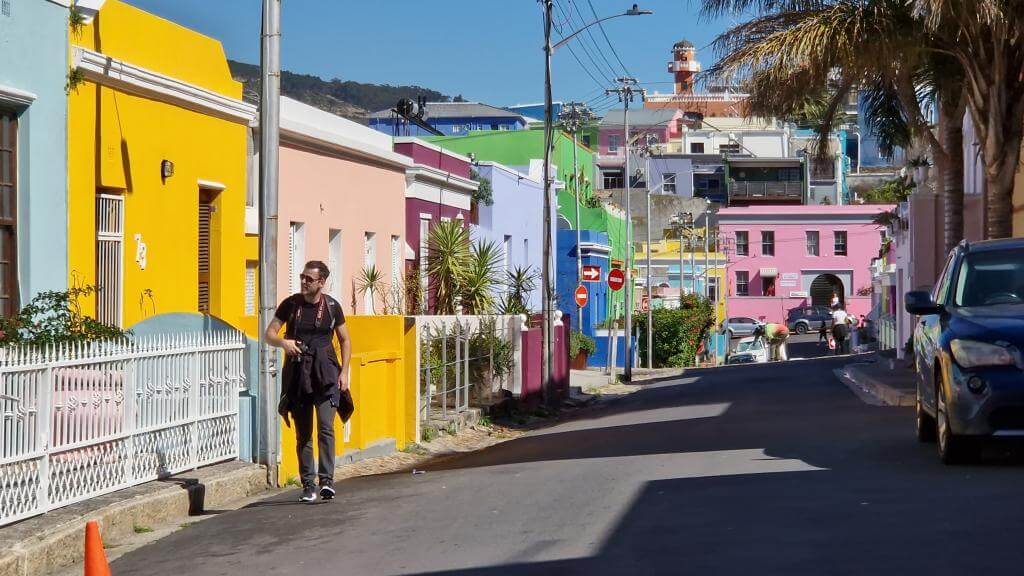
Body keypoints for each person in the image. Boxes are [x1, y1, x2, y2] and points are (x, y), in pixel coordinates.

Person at [265, 260, 352, 503]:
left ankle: (327, 482)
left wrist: (344, 372)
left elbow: (345, 340)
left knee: (326, 427)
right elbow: (269, 334)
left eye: (309, 279)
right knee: (303, 433)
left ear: (321, 282)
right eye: (302, 277)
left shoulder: (333, 307)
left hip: (325, 374)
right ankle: (307, 484)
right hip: (298, 374)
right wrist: (284, 342)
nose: (304, 282)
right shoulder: (291, 305)